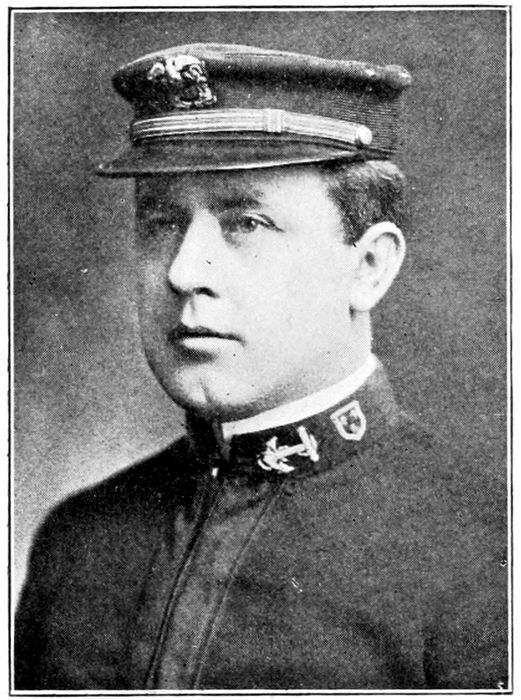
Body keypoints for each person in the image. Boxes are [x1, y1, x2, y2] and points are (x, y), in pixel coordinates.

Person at [15, 43, 508, 691]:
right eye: (162, 221)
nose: (184, 272)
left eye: (246, 222)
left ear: (368, 268)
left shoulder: (491, 561)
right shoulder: (77, 543)